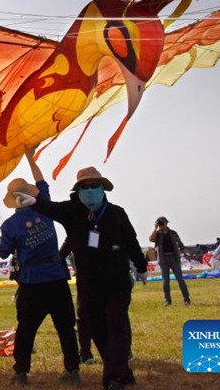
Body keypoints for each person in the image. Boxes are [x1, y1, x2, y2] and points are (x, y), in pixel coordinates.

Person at [14, 166, 147, 390]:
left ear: (103, 188)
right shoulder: (72, 212)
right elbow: (51, 208)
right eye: (85, 187)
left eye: (95, 186)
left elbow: (132, 243)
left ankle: (114, 378)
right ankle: (121, 371)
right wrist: (34, 202)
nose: (90, 190)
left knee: (116, 325)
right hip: (89, 286)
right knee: (96, 328)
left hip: (116, 283)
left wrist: (141, 267)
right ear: (79, 191)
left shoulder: (116, 214)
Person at [0, 147, 80, 386]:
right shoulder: (44, 207)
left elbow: (3, 252)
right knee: (66, 326)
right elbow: (41, 180)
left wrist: (12, 240)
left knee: (26, 329)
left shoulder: (10, 225)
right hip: (56, 277)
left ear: (13, 200)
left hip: (32, 281)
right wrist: (29, 156)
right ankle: (73, 370)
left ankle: (21, 373)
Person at [59, 236, 95, 364]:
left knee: (84, 316)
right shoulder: (108, 222)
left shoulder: (76, 228)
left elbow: (62, 253)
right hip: (102, 277)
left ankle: (85, 352)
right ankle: (123, 350)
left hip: (86, 280)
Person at [149, 217, 191, 306]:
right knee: (165, 281)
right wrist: (155, 228)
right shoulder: (158, 234)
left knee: (180, 279)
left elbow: (180, 244)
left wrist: (186, 253)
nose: (161, 225)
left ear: (166, 223)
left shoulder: (173, 233)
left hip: (174, 258)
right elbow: (151, 239)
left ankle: (186, 299)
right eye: (160, 224)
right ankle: (167, 300)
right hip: (163, 259)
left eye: (162, 223)